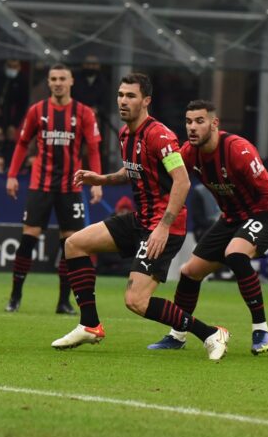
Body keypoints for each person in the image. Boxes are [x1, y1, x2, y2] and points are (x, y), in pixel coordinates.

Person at [57, 73, 232, 360]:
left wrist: (162, 227)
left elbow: (182, 181)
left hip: (164, 226)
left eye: (131, 96)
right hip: (140, 220)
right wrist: (102, 179)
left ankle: (211, 333)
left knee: (136, 301)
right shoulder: (126, 134)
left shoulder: (160, 136)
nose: (123, 101)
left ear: (146, 100)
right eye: (121, 95)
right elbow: (133, 169)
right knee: (74, 244)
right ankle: (89, 325)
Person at [147, 101, 268, 355]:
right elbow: (165, 177)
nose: (192, 127)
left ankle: (261, 329)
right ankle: (177, 335)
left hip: (264, 215)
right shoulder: (189, 153)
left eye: (199, 121)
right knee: (189, 272)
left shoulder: (238, 150)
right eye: (188, 122)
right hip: (230, 219)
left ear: (214, 123)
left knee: (235, 253)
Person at [4, 64, 102, 314]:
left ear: (71, 82)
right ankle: (15, 296)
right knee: (28, 239)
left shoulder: (84, 113)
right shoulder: (37, 111)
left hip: (71, 187)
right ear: (48, 82)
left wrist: (97, 181)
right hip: (41, 185)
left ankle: (63, 302)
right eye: (54, 79)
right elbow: (22, 143)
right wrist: (12, 175)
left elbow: (93, 149)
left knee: (70, 244)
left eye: (62, 79)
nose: (58, 83)